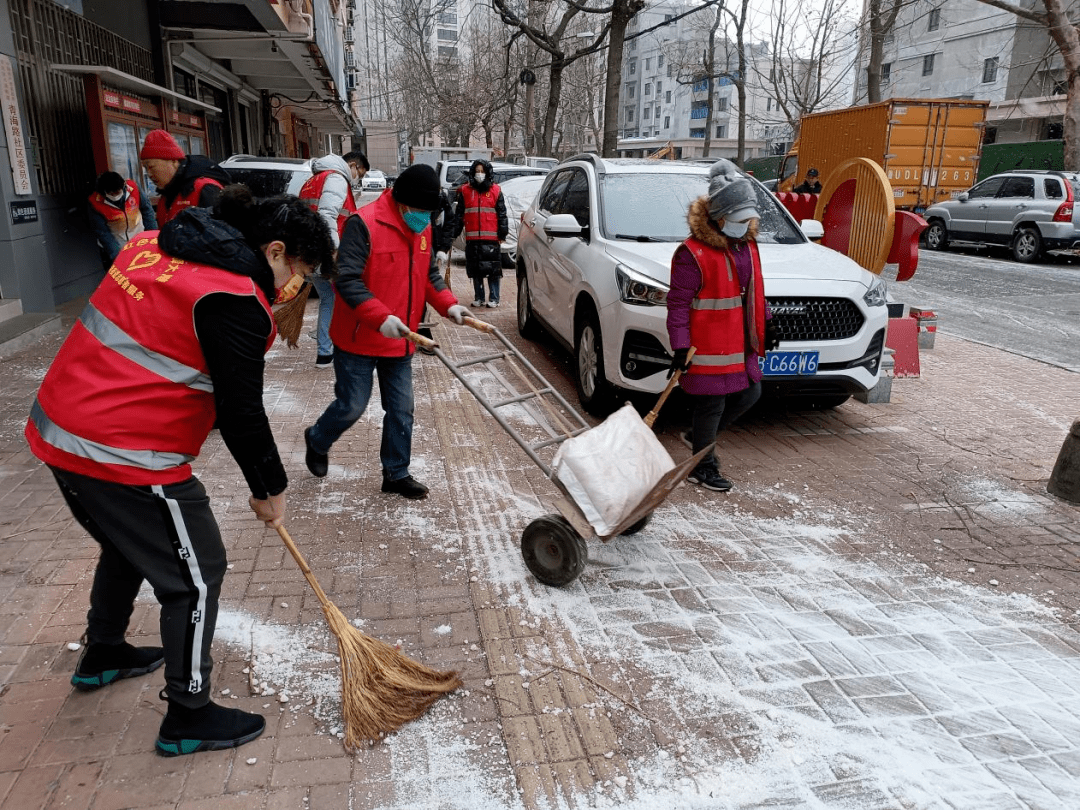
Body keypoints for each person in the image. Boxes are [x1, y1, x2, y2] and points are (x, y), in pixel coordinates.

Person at [25, 186, 334, 755]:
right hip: (122, 450)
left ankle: (104, 652)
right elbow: (242, 413)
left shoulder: (151, 243)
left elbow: (165, 344)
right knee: (195, 575)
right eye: (300, 269)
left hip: (60, 428)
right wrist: (271, 488)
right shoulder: (234, 297)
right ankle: (189, 713)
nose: (297, 285)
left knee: (129, 545)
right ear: (274, 249)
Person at [303, 164, 473, 499]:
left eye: (429, 212)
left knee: (401, 409)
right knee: (352, 405)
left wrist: (448, 304)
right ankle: (317, 439)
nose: (425, 218)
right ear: (402, 202)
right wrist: (379, 317)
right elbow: (346, 279)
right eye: (421, 211)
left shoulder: (421, 227)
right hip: (359, 337)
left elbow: (428, 276)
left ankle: (395, 473)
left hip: (401, 339)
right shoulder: (363, 224)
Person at [666, 159, 780, 493]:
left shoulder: (747, 245)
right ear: (720, 217)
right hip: (708, 345)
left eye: (750, 219)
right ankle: (703, 466)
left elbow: (754, 290)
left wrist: (768, 323)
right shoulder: (692, 254)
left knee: (751, 393)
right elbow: (678, 304)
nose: (746, 225)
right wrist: (680, 344)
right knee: (711, 404)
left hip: (739, 342)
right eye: (739, 219)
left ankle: (701, 436)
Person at [299, 151, 368, 368]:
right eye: (361, 173)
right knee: (345, 299)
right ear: (353, 165)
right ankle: (342, 348)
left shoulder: (313, 180)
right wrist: (335, 250)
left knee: (329, 300)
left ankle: (325, 353)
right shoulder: (336, 179)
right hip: (328, 254)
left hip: (310, 253)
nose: (359, 178)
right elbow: (327, 215)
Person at [139, 129, 231, 225]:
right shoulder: (165, 198)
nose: (149, 173)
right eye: (145, 168)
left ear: (173, 161)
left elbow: (223, 234)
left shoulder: (204, 189)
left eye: (151, 167)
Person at [450, 158, 508, 308]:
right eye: (477, 171)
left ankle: (494, 298)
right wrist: (453, 233)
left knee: (493, 269)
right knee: (475, 269)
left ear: (487, 173)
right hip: (473, 237)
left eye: (482, 171)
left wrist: (502, 234)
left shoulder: (496, 191)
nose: (480, 174)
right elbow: (459, 215)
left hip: (491, 238)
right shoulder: (465, 191)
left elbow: (502, 214)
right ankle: (479, 297)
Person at [87, 170, 157, 267]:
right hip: (116, 246)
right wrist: (117, 257)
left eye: (117, 192)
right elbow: (103, 233)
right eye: (111, 193)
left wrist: (152, 238)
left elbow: (147, 212)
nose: (115, 196)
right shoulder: (95, 203)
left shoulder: (134, 189)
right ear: (104, 191)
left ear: (123, 186)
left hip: (139, 241)